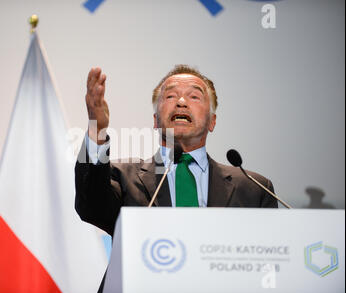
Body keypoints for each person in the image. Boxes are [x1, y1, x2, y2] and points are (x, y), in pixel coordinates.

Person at [75, 64, 277, 238]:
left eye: (194, 96)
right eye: (170, 95)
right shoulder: (122, 176)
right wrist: (96, 130)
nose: (181, 102)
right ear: (155, 120)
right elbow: (90, 207)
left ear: (212, 121)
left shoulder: (254, 189)